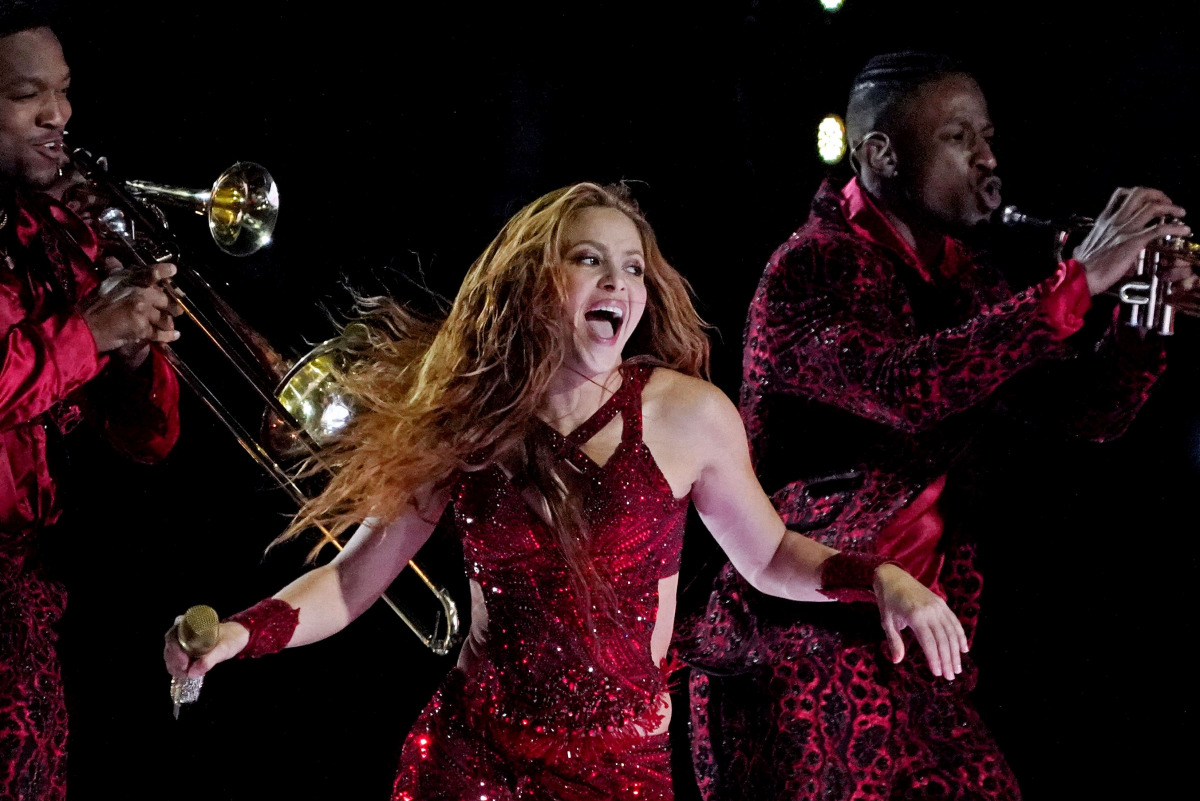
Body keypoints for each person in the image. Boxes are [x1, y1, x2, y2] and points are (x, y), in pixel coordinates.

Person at [163, 181, 970, 801]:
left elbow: (769, 556)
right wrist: (241, 633)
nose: (619, 281)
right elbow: (351, 580)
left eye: (633, 267)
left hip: (619, 769)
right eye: (590, 259)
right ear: (533, 282)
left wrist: (879, 576)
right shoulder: (470, 424)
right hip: (472, 757)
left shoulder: (686, 414)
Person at [683, 51, 1188, 801]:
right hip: (799, 640)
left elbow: (1085, 412)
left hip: (917, 643)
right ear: (881, 153)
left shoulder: (968, 279)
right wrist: (1074, 282)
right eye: (958, 136)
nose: (988, 158)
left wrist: (1147, 319)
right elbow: (907, 386)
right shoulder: (811, 268)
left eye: (988, 135)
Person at [1, 8, 183, 800]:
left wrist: (136, 351)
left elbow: (147, 442)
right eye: (24, 95)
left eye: (64, 92)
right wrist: (88, 330)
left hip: (33, 597)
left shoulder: (58, 232)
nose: (58, 116)